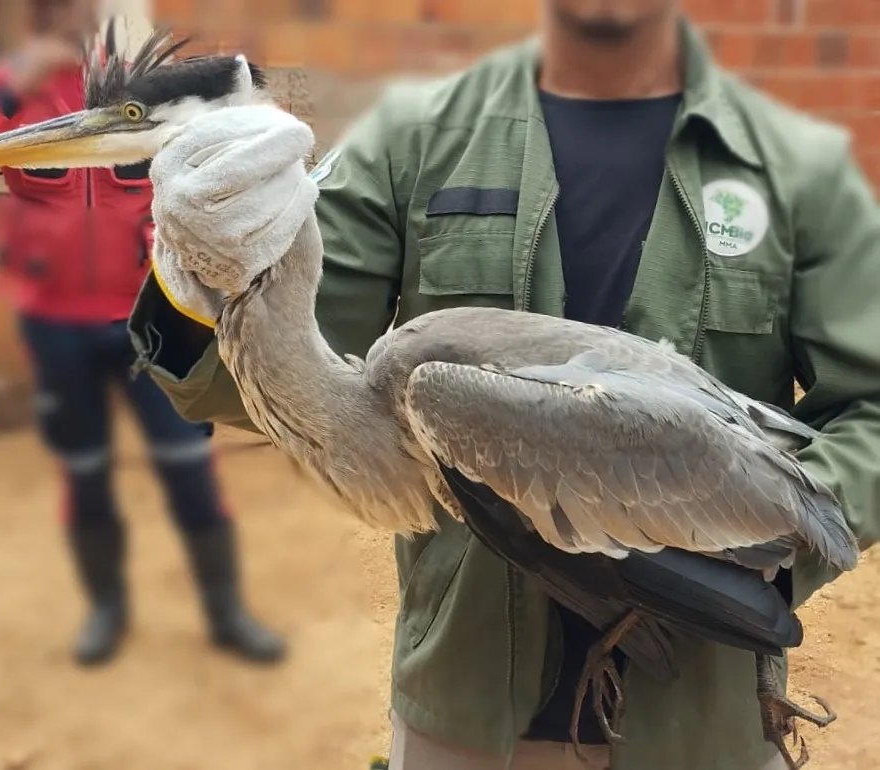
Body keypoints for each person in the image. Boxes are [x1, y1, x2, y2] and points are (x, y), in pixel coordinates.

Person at [128, 1, 880, 768]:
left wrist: (758, 563)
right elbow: (265, 377)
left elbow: (874, 413)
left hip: (703, 724)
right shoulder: (412, 137)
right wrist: (199, 271)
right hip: (468, 714)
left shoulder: (798, 167)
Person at [0, 0, 285, 667]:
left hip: (150, 318)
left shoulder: (149, 91)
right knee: (83, 469)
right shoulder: (6, 90)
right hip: (55, 323)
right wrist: (12, 89)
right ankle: (106, 610)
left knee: (188, 466)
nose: (67, 18)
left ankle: (226, 611)